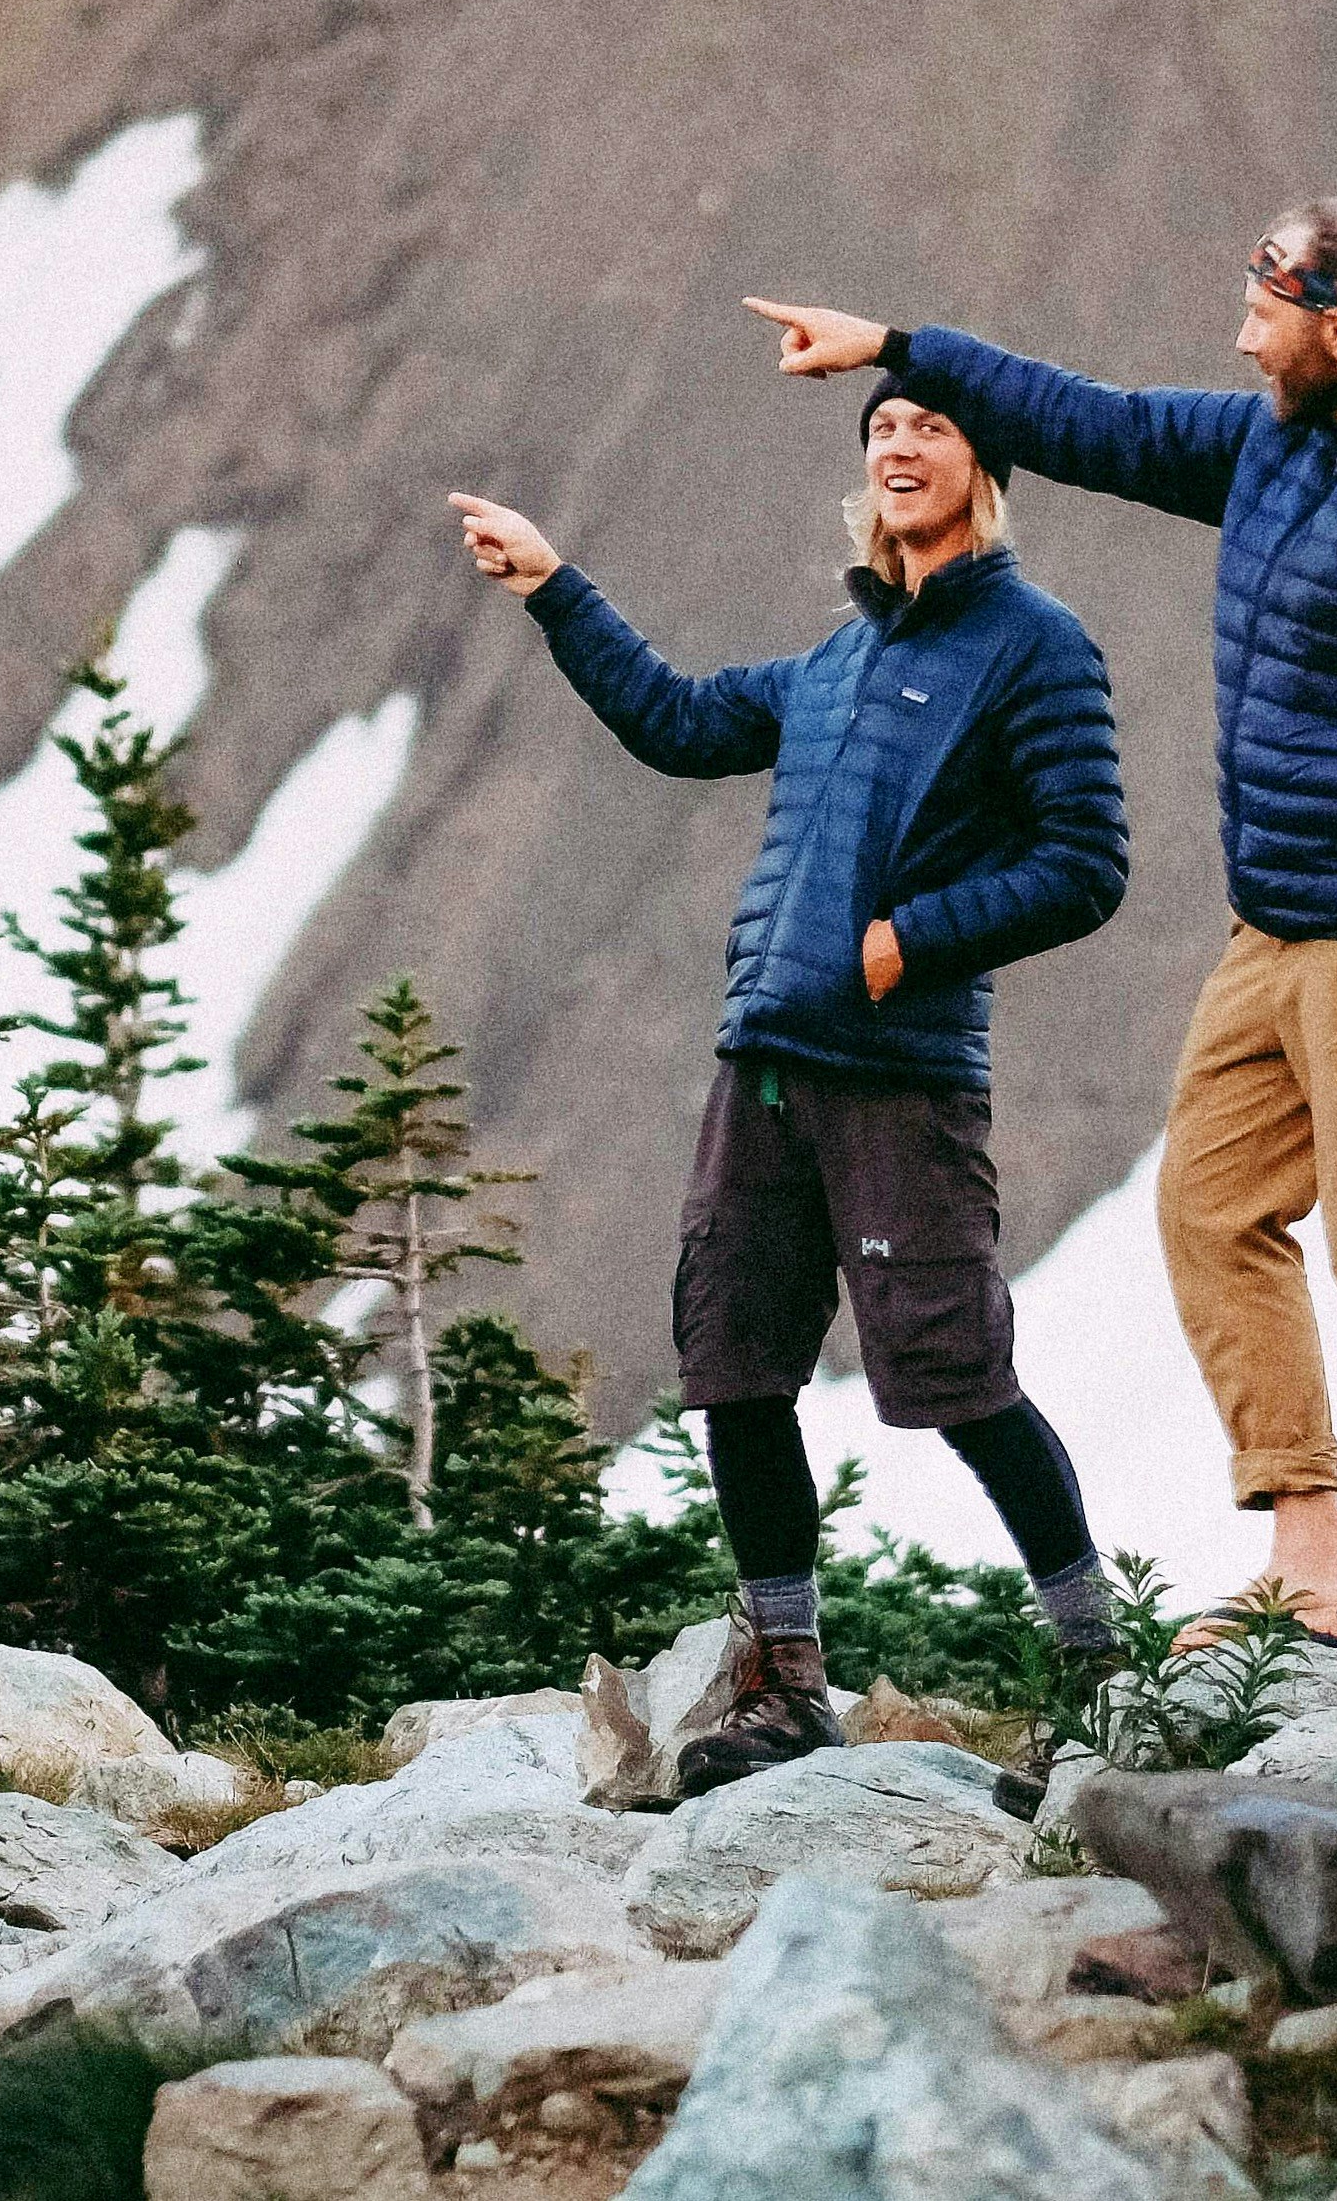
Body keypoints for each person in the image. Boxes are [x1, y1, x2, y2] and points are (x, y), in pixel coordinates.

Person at [745, 198, 1337, 1651]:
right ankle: (1309, 1547)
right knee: (1205, 1210)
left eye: (1265, 317)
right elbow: (1094, 422)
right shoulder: (1277, 441)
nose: (1240, 342)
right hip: (1270, 937)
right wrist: (896, 348)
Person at [449, 359, 1131, 1789]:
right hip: (761, 1065)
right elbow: (680, 721)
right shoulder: (835, 660)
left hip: (899, 1076)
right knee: (734, 1367)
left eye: (927, 426)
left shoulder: (1035, 645)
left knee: (957, 1376)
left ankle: (1098, 1673)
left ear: (982, 467)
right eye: (880, 426)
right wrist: (552, 585)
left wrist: (906, 943)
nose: (897, 442)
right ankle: (784, 1685)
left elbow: (1084, 864)